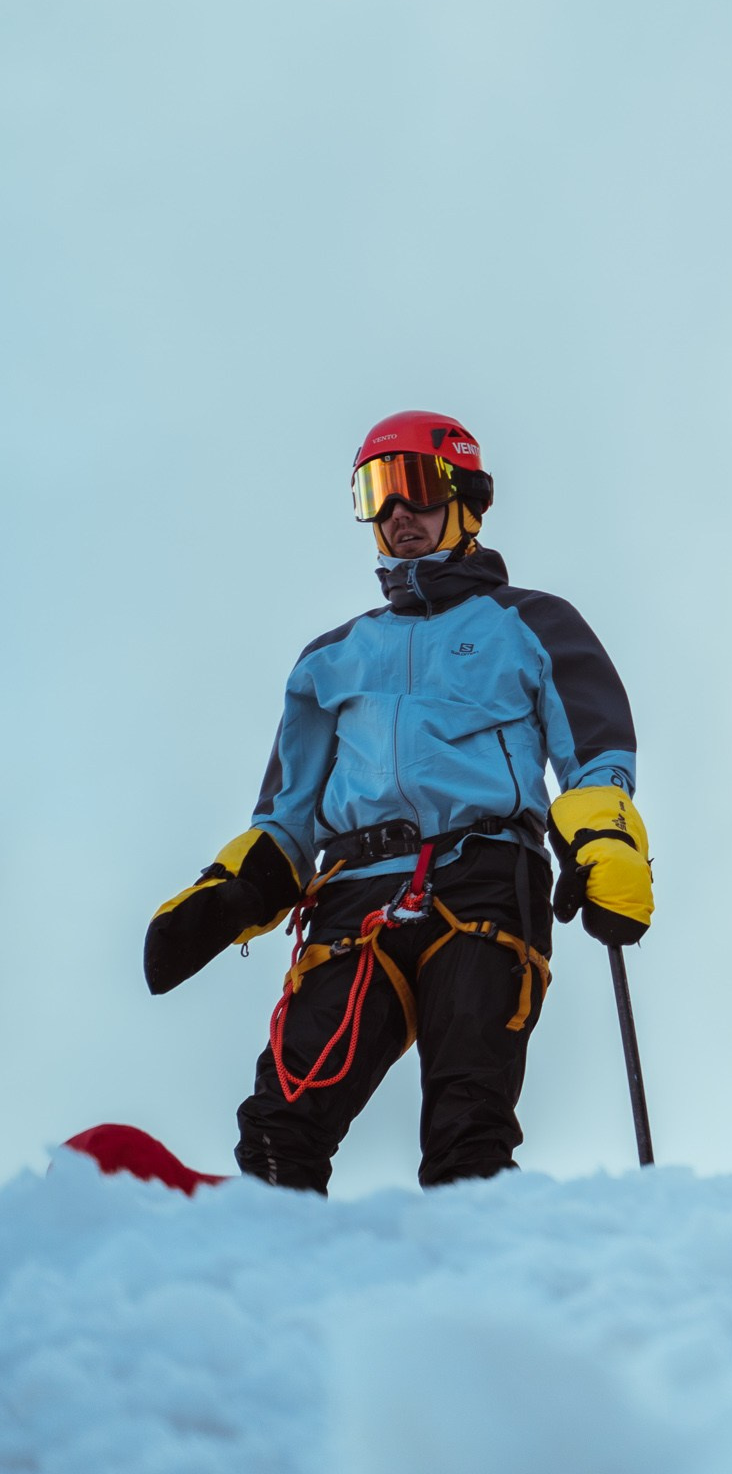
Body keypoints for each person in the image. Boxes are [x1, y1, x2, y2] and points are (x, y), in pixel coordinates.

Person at [144, 412, 654, 1190]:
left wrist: (605, 845)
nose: (396, 514)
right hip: (355, 895)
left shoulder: (532, 623)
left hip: (486, 877)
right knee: (284, 1117)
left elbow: (594, 756)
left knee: (467, 1119)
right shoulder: (331, 658)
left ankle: (470, 1274)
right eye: (375, 494)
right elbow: (286, 816)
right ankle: (271, 1257)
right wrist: (233, 891)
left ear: (466, 498)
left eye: (413, 487)